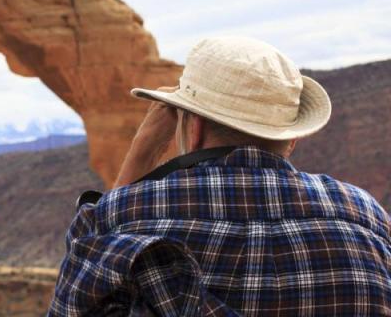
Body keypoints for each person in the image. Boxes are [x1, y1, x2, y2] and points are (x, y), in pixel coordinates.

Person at [49, 37, 391, 315]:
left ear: (193, 129)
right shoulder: (364, 217)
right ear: (291, 139)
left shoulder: (117, 219)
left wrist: (142, 151)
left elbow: (82, 291)